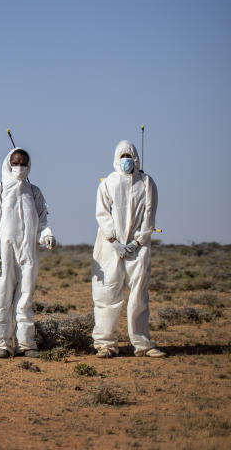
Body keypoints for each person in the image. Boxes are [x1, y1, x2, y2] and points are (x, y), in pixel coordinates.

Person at [91, 140, 165, 358]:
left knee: (139, 295)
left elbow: (150, 215)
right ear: (116, 158)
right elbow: (102, 214)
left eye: (129, 156)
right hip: (109, 247)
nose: (126, 160)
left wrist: (137, 242)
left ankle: (143, 344)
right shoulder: (108, 183)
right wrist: (114, 242)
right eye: (122, 156)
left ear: (136, 157)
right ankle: (105, 344)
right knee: (106, 293)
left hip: (138, 248)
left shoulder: (146, 183)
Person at [0, 147, 56, 358]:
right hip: (3, 254)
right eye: (16, 163)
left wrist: (46, 235)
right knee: (0, 298)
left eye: (23, 163)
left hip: (28, 253)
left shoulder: (34, 192)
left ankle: (26, 343)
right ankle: (1, 344)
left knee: (25, 298)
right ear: (8, 164)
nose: (19, 167)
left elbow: (42, 222)